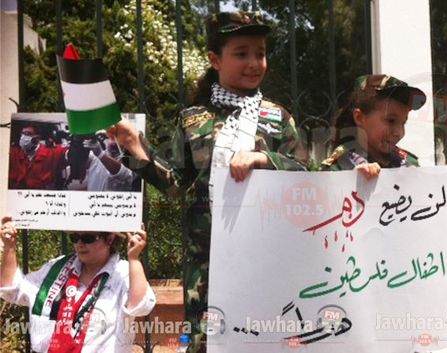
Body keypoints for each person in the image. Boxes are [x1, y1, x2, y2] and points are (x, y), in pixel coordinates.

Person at [107, 11, 307, 352]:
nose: (254, 62)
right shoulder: (192, 120)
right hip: (208, 264)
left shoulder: (278, 117)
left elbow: (307, 174)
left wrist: (264, 159)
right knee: (205, 343)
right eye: (241, 53)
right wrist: (134, 145)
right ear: (215, 59)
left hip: (269, 258)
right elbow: (174, 184)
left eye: (260, 53)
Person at [0, 216, 155, 353]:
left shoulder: (123, 273)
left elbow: (141, 306)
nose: (79, 244)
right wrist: (10, 247)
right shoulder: (57, 268)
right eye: (74, 237)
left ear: (109, 239)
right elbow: (12, 290)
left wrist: (134, 258)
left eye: (88, 238)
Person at [322, 74, 447, 195]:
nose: (399, 132)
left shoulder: (409, 163)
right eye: (391, 120)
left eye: (403, 123)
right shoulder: (336, 169)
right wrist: (348, 185)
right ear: (360, 118)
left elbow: (426, 213)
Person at [9, 124, 67, 190]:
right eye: (22, 134)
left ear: (37, 138)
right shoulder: (14, 152)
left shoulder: (52, 152)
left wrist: (72, 139)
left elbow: (68, 152)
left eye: (28, 134)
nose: (23, 137)